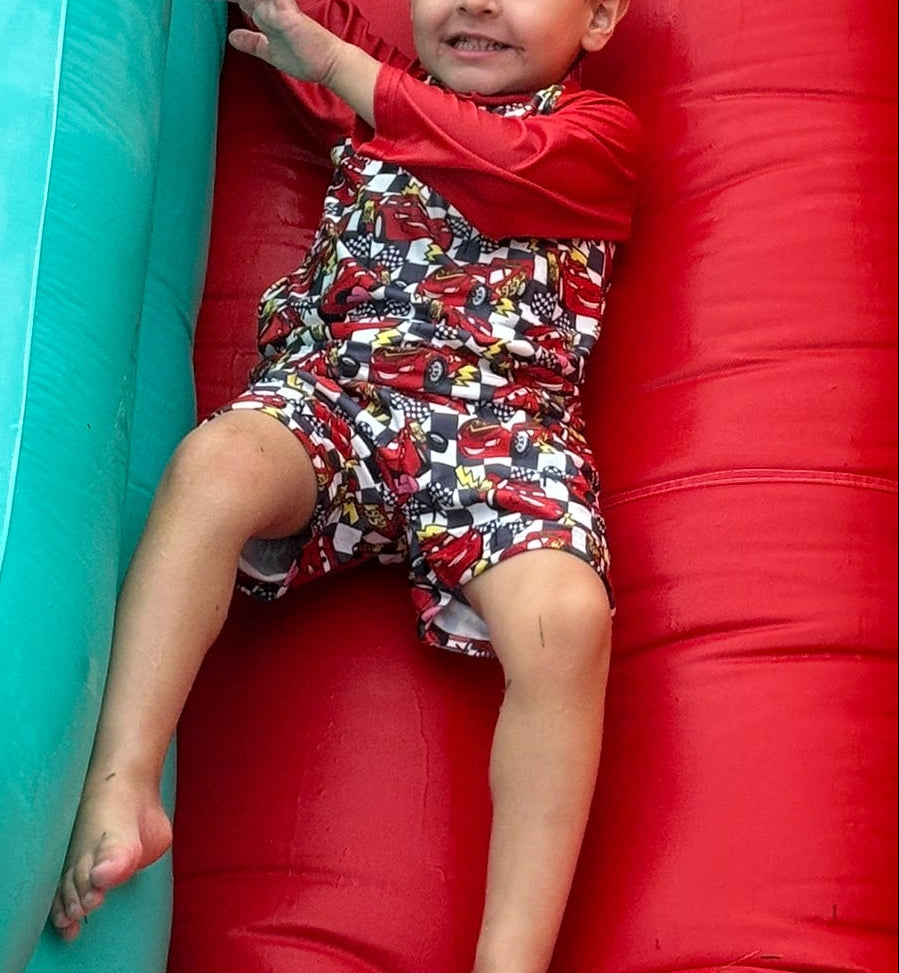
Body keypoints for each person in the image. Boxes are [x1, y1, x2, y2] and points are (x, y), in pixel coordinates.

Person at [51, 0, 640, 969]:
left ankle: (511, 954)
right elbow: (291, 24)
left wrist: (346, 70)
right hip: (340, 393)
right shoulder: (366, 92)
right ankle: (123, 780)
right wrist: (316, 53)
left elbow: (499, 163)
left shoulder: (593, 135)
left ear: (600, 17)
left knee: (567, 621)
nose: (476, 3)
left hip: (499, 440)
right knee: (212, 467)